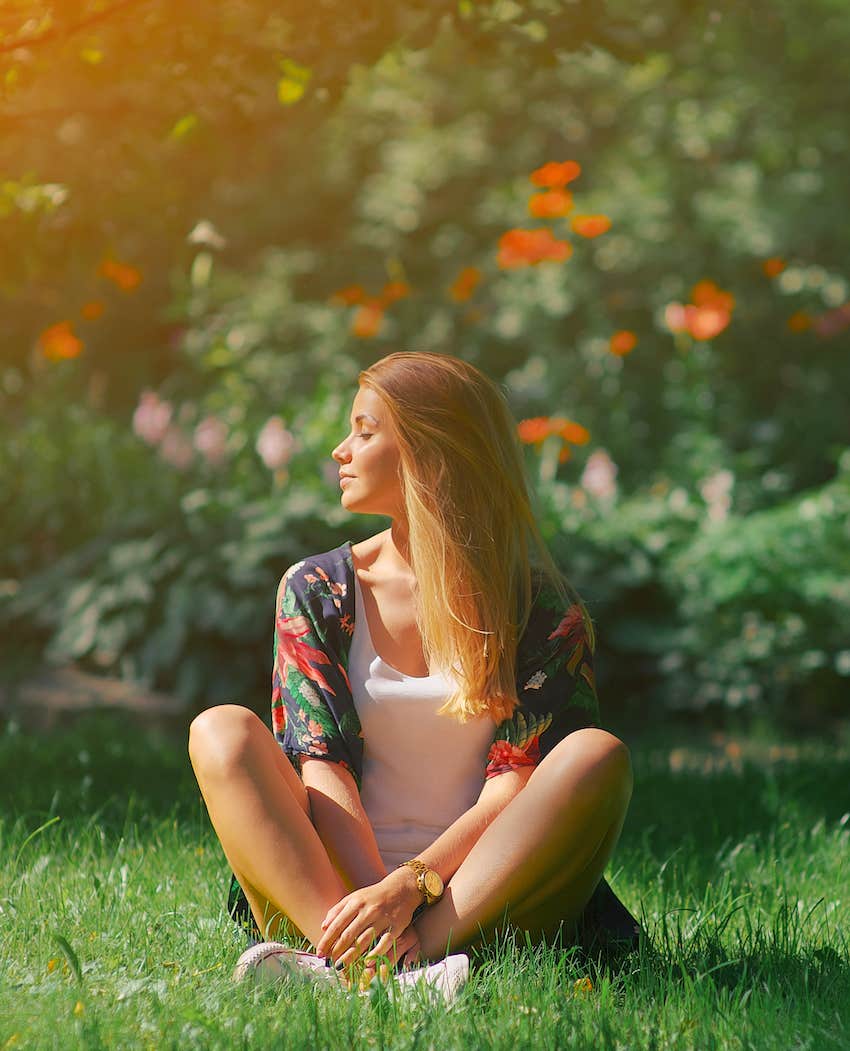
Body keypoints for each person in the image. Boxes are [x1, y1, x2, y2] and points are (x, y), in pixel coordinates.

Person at [189, 351, 638, 993]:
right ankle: (369, 966)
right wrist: (373, 902)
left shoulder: (539, 605)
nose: (341, 451)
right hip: (335, 894)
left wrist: (412, 887)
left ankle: (383, 973)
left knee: (596, 756)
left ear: (433, 451)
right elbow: (322, 768)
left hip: (481, 893)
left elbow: (514, 786)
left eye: (365, 431)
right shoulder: (318, 588)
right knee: (220, 731)